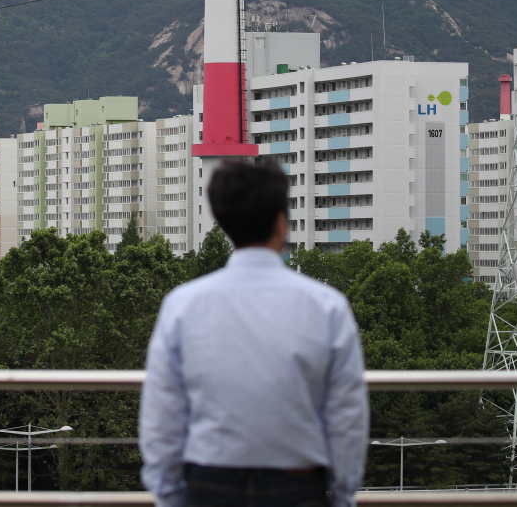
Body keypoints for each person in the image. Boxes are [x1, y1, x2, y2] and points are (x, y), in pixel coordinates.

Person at [140, 160, 368, 507]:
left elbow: (163, 412)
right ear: (281, 223)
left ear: (221, 221)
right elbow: (346, 415)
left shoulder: (182, 305)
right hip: (299, 486)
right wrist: (341, 492)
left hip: (209, 484)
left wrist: (169, 492)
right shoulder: (328, 306)